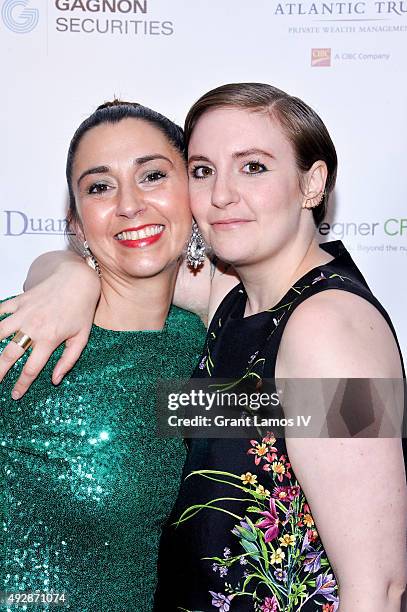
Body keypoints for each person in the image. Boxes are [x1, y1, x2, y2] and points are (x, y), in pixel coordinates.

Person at [1, 84, 406, 611]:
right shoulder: (233, 307)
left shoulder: (331, 327)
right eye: (203, 170)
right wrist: (66, 274)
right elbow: (132, 273)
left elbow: (380, 587)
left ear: (312, 182)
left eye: (254, 167)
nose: (221, 195)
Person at [0, 100, 207, 611]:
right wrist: (64, 271)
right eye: (99, 186)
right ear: (75, 221)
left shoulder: (199, 344)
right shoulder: (23, 341)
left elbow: (347, 415)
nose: (129, 204)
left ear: (195, 193)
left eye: (153, 176)